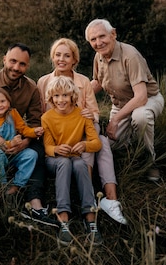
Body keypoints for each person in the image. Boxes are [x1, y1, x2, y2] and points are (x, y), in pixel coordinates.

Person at [37, 38, 128, 225]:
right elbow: (41, 113)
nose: (62, 59)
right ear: (52, 57)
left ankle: (110, 199)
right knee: (97, 140)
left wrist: (90, 114)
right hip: (56, 133)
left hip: (82, 130)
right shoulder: (44, 82)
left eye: (67, 56)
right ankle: (83, 189)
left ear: (74, 60)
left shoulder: (83, 81)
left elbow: (95, 112)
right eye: (58, 55)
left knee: (99, 139)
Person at [0, 43, 58, 227]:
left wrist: (24, 143)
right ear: (4, 59)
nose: (16, 68)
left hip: (17, 138)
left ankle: (34, 202)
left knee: (38, 150)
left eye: (22, 64)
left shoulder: (31, 88)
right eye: (13, 61)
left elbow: (35, 122)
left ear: (27, 66)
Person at [85, 19, 165, 181]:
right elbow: (98, 82)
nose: (98, 43)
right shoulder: (98, 57)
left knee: (140, 117)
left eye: (102, 36)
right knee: (111, 146)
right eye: (93, 39)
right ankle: (131, 145)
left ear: (113, 34)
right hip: (121, 104)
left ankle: (150, 162)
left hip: (148, 100)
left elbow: (141, 96)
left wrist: (115, 119)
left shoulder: (130, 55)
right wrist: (75, 97)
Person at [42, 75, 103, 246]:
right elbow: (47, 147)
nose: (60, 100)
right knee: (64, 162)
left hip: (74, 158)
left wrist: (84, 145)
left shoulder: (82, 115)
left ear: (72, 97)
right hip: (54, 161)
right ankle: (63, 218)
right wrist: (56, 149)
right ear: (51, 98)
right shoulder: (47, 117)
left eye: (65, 95)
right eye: (56, 96)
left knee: (80, 163)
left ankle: (90, 218)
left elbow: (96, 143)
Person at [0, 87, 44, 196]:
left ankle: (17, 185)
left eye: (3, 101)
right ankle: (1, 186)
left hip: (16, 152)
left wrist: (34, 132)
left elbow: (23, 129)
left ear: (8, 101)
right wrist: (11, 143)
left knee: (31, 154)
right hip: (1, 153)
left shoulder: (13, 113)